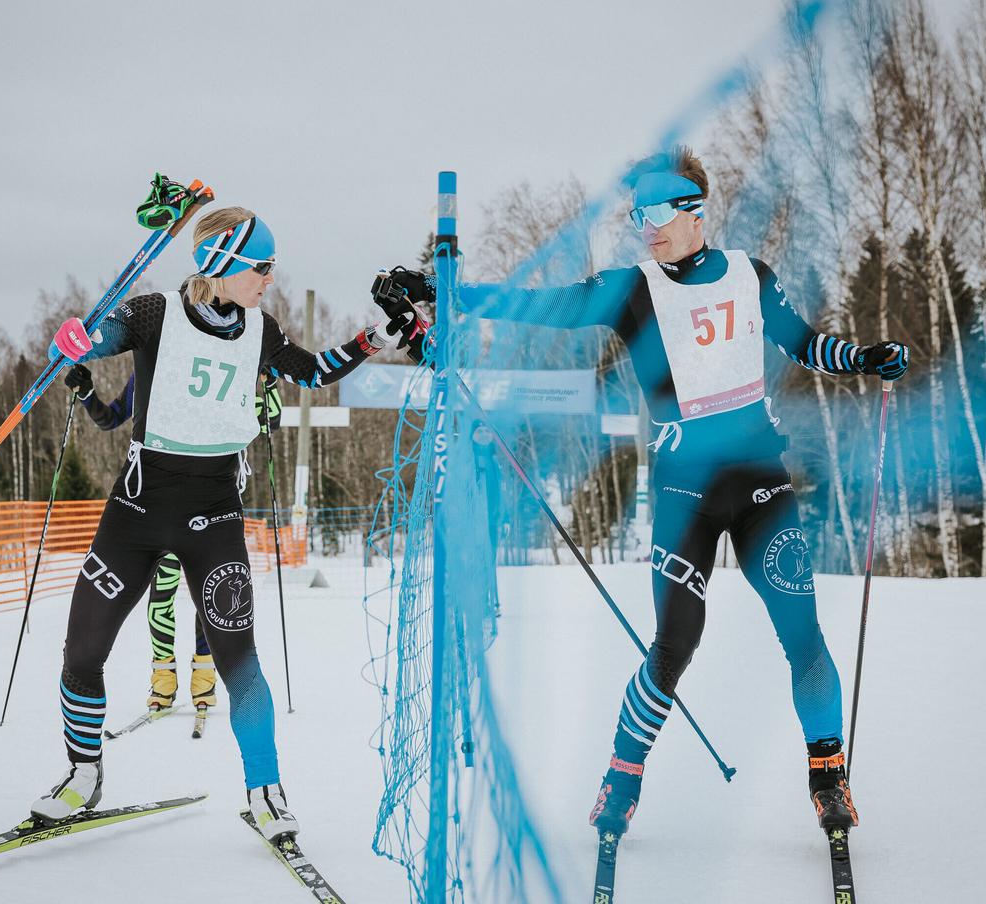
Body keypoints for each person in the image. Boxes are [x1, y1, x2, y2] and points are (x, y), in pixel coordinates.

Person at [377, 146, 910, 839]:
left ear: (695, 209)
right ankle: (621, 776)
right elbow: (539, 306)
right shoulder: (635, 290)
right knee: (674, 644)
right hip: (685, 491)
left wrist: (864, 357)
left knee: (801, 632)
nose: (645, 226)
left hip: (759, 485)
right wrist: (443, 294)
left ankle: (827, 775)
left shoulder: (751, 276)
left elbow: (805, 344)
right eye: (636, 215)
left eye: (656, 211)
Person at [31, 204, 415, 841]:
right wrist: (71, 340)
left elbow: (313, 372)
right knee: (82, 650)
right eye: (262, 267)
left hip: (214, 516)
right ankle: (83, 774)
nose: (270, 278)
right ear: (224, 265)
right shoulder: (153, 314)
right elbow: (90, 342)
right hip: (136, 511)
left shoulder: (260, 329)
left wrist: (375, 338)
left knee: (241, 664)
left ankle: (266, 791)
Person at [62, 362, 284, 716]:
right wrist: (87, 394)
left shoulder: (226, 365)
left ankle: (204, 680)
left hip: (213, 512)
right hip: (157, 507)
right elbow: (111, 418)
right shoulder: (152, 365)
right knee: (160, 598)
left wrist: (267, 380)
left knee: (209, 600)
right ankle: (163, 680)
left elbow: (270, 420)